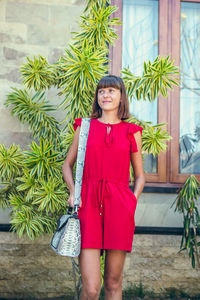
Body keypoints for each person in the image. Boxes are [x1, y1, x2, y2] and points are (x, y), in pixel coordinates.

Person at [62, 75, 145, 300]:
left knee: (113, 283)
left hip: (120, 209)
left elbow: (139, 177)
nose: (105, 95)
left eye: (111, 91)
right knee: (91, 289)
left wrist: (130, 202)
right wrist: (73, 191)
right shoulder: (85, 127)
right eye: (101, 91)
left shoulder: (132, 131)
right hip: (88, 206)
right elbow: (67, 166)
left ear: (121, 97)